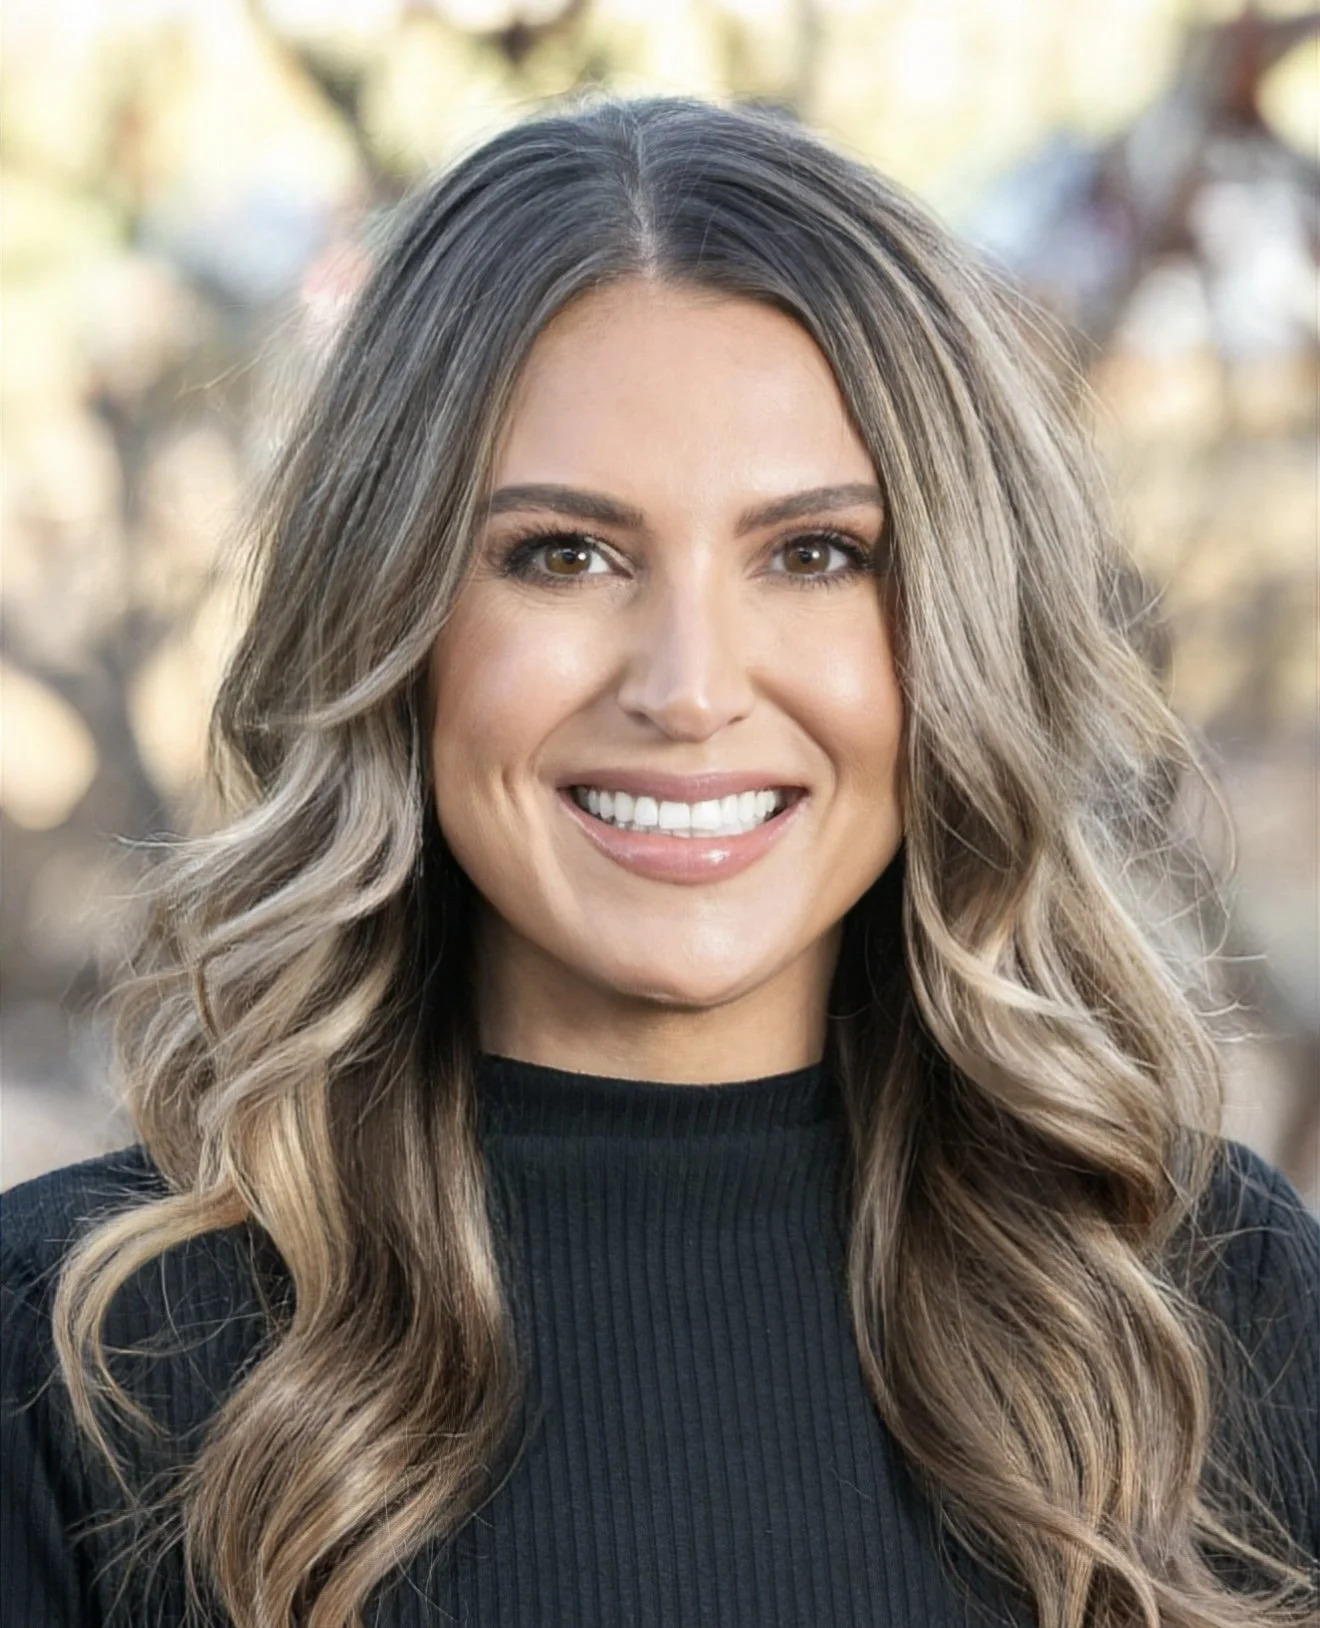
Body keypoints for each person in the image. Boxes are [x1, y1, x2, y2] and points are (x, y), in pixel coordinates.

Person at [1, 95, 1316, 1628]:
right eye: (565, 555)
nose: (689, 688)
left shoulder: (1207, 1308)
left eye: (815, 554)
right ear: (394, 619)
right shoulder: (85, 1345)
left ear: (956, 630)